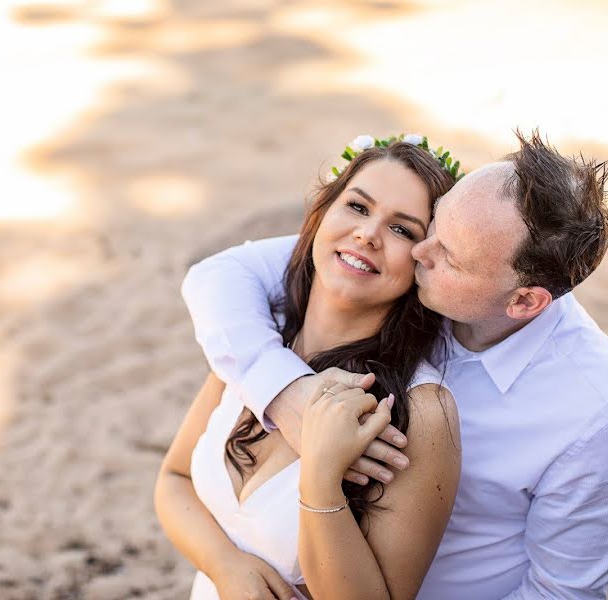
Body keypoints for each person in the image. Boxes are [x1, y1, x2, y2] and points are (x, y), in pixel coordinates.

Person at [179, 130, 608, 599]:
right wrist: (285, 394)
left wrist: (321, 477)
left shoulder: (595, 421)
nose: (416, 252)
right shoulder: (393, 280)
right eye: (434, 224)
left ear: (524, 301)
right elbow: (221, 274)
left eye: (442, 250)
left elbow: (561, 594)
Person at [155, 136, 463, 599]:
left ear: (425, 263)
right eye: (358, 207)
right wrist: (226, 566)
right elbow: (174, 481)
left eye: (403, 230)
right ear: (322, 213)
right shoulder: (260, 336)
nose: (368, 234)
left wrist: (321, 480)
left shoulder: (422, 412)